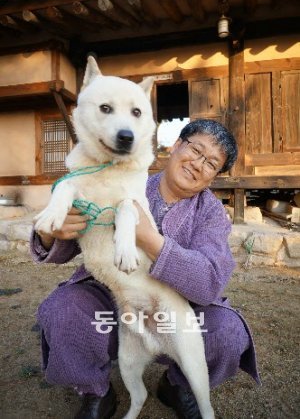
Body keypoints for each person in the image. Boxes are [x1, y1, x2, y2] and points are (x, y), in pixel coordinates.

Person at [31, 119, 260, 419]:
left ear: (214, 177)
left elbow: (209, 281)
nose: (198, 164)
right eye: (196, 150)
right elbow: (69, 242)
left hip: (175, 314)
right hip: (112, 305)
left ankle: (178, 386)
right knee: (63, 310)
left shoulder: (212, 214)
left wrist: (151, 240)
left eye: (211, 163)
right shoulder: (124, 181)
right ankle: (96, 391)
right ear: (176, 146)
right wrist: (52, 231)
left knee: (226, 332)